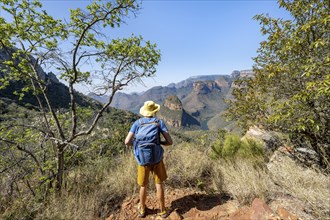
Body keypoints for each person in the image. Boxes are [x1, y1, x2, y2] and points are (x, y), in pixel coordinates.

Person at [125, 100, 173, 218]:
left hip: (142, 160)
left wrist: (136, 145)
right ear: (154, 111)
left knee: (143, 185)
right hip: (157, 158)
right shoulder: (159, 123)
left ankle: (142, 209)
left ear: (144, 111)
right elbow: (170, 141)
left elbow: (127, 141)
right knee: (159, 183)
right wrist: (159, 142)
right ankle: (162, 210)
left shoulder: (137, 123)